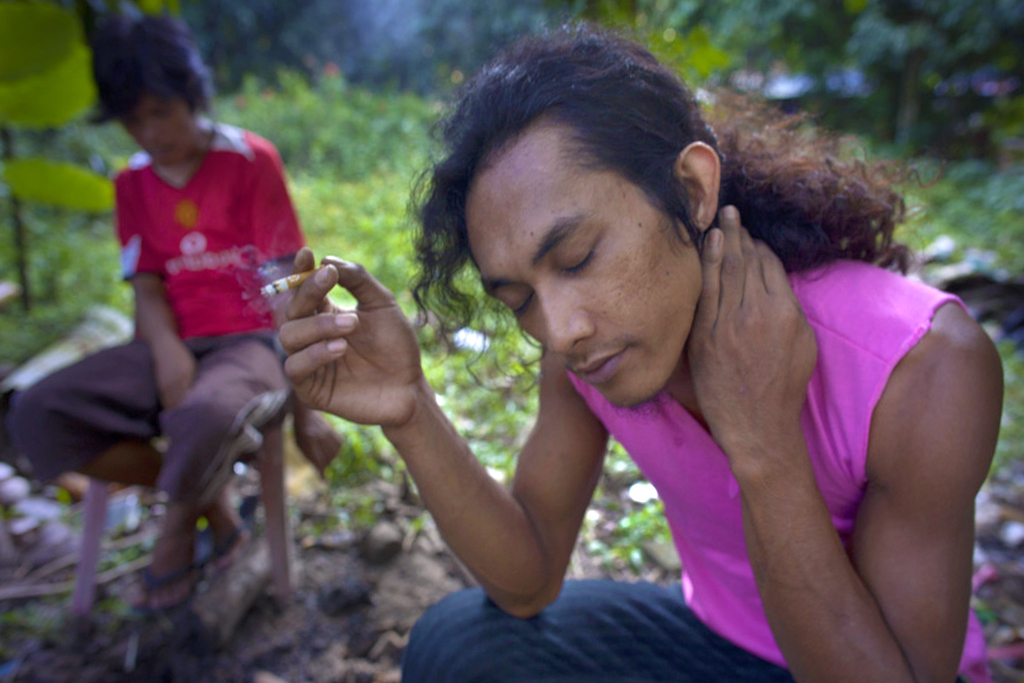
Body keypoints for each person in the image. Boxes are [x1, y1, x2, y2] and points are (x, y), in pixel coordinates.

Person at [279, 25, 1003, 683]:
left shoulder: (919, 366)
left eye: (578, 256)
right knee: (459, 645)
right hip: (717, 642)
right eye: (518, 299)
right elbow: (526, 579)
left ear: (689, 189)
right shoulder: (587, 350)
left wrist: (762, 442)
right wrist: (409, 410)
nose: (559, 330)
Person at [6, 13, 341, 611]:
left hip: (249, 344)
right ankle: (215, 510)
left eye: (160, 111)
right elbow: (147, 286)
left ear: (192, 95)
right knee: (37, 415)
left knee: (204, 410)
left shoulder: (249, 159)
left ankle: (175, 532)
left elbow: (288, 277)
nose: (149, 132)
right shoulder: (131, 183)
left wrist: (307, 404)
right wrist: (165, 350)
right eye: (134, 120)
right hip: (171, 340)